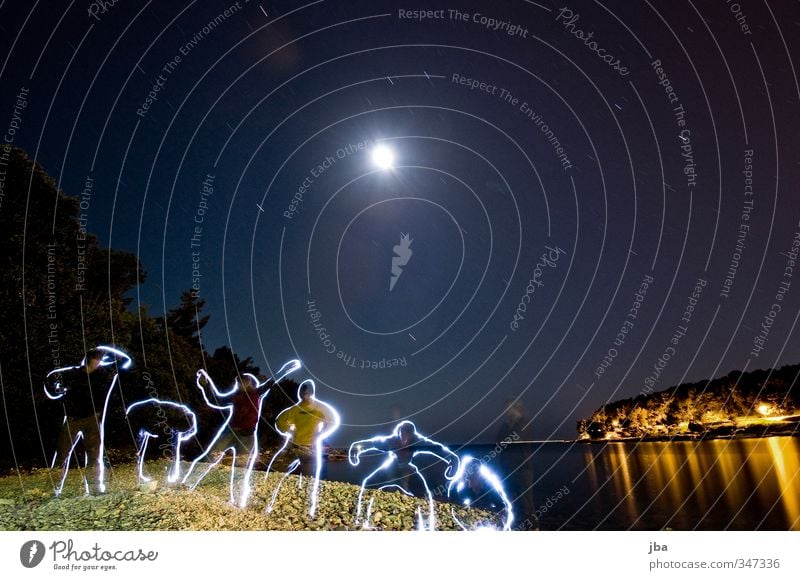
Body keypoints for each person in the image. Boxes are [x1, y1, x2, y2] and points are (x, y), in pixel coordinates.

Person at [183, 359, 300, 507]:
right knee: (210, 457)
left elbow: (272, 382)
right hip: (230, 432)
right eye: (238, 383)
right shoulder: (235, 396)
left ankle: (238, 498)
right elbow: (217, 400)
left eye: (242, 382)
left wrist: (287, 369)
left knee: (241, 466)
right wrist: (206, 385)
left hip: (247, 436)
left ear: (250, 383)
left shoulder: (257, 393)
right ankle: (189, 483)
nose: (239, 385)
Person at [43, 346, 132, 496]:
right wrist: (57, 392)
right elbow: (49, 380)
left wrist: (105, 350)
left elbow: (125, 360)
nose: (99, 362)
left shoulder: (104, 374)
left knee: (94, 456)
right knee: (62, 454)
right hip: (72, 419)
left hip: (92, 419)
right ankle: (52, 489)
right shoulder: (73, 374)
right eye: (97, 359)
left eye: (100, 359)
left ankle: (95, 489)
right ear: (89, 360)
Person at [348, 420, 460, 529]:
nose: (405, 438)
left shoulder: (418, 441)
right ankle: (361, 518)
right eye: (403, 434)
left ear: (412, 434)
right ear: (399, 433)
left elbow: (437, 448)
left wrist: (453, 459)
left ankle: (426, 525)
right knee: (369, 484)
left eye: (408, 434)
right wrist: (356, 449)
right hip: (392, 468)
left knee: (424, 495)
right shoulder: (391, 441)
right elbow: (371, 443)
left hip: (408, 470)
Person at [264, 379, 340, 517]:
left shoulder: (294, 410)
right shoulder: (318, 409)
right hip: (309, 446)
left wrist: (290, 431)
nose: (307, 396)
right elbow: (333, 421)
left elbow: (279, 422)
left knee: (296, 471)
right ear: (311, 393)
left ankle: (294, 499)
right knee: (310, 475)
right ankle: (308, 504)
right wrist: (320, 433)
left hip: (298, 445)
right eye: (307, 393)